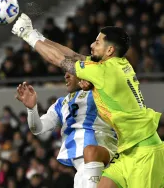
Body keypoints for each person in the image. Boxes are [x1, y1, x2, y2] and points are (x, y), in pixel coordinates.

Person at [12, 13, 164, 188]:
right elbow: (74, 56)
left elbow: (59, 60)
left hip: (145, 153)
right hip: (126, 152)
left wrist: (28, 36)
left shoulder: (104, 72)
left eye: (97, 42)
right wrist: (37, 35)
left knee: (91, 152)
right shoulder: (118, 65)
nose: (92, 45)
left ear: (110, 50)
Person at [15, 73, 117, 188]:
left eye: (71, 72)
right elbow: (37, 129)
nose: (66, 76)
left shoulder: (96, 93)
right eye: (65, 72)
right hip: (83, 165)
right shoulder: (60, 104)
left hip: (101, 151)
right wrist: (31, 109)